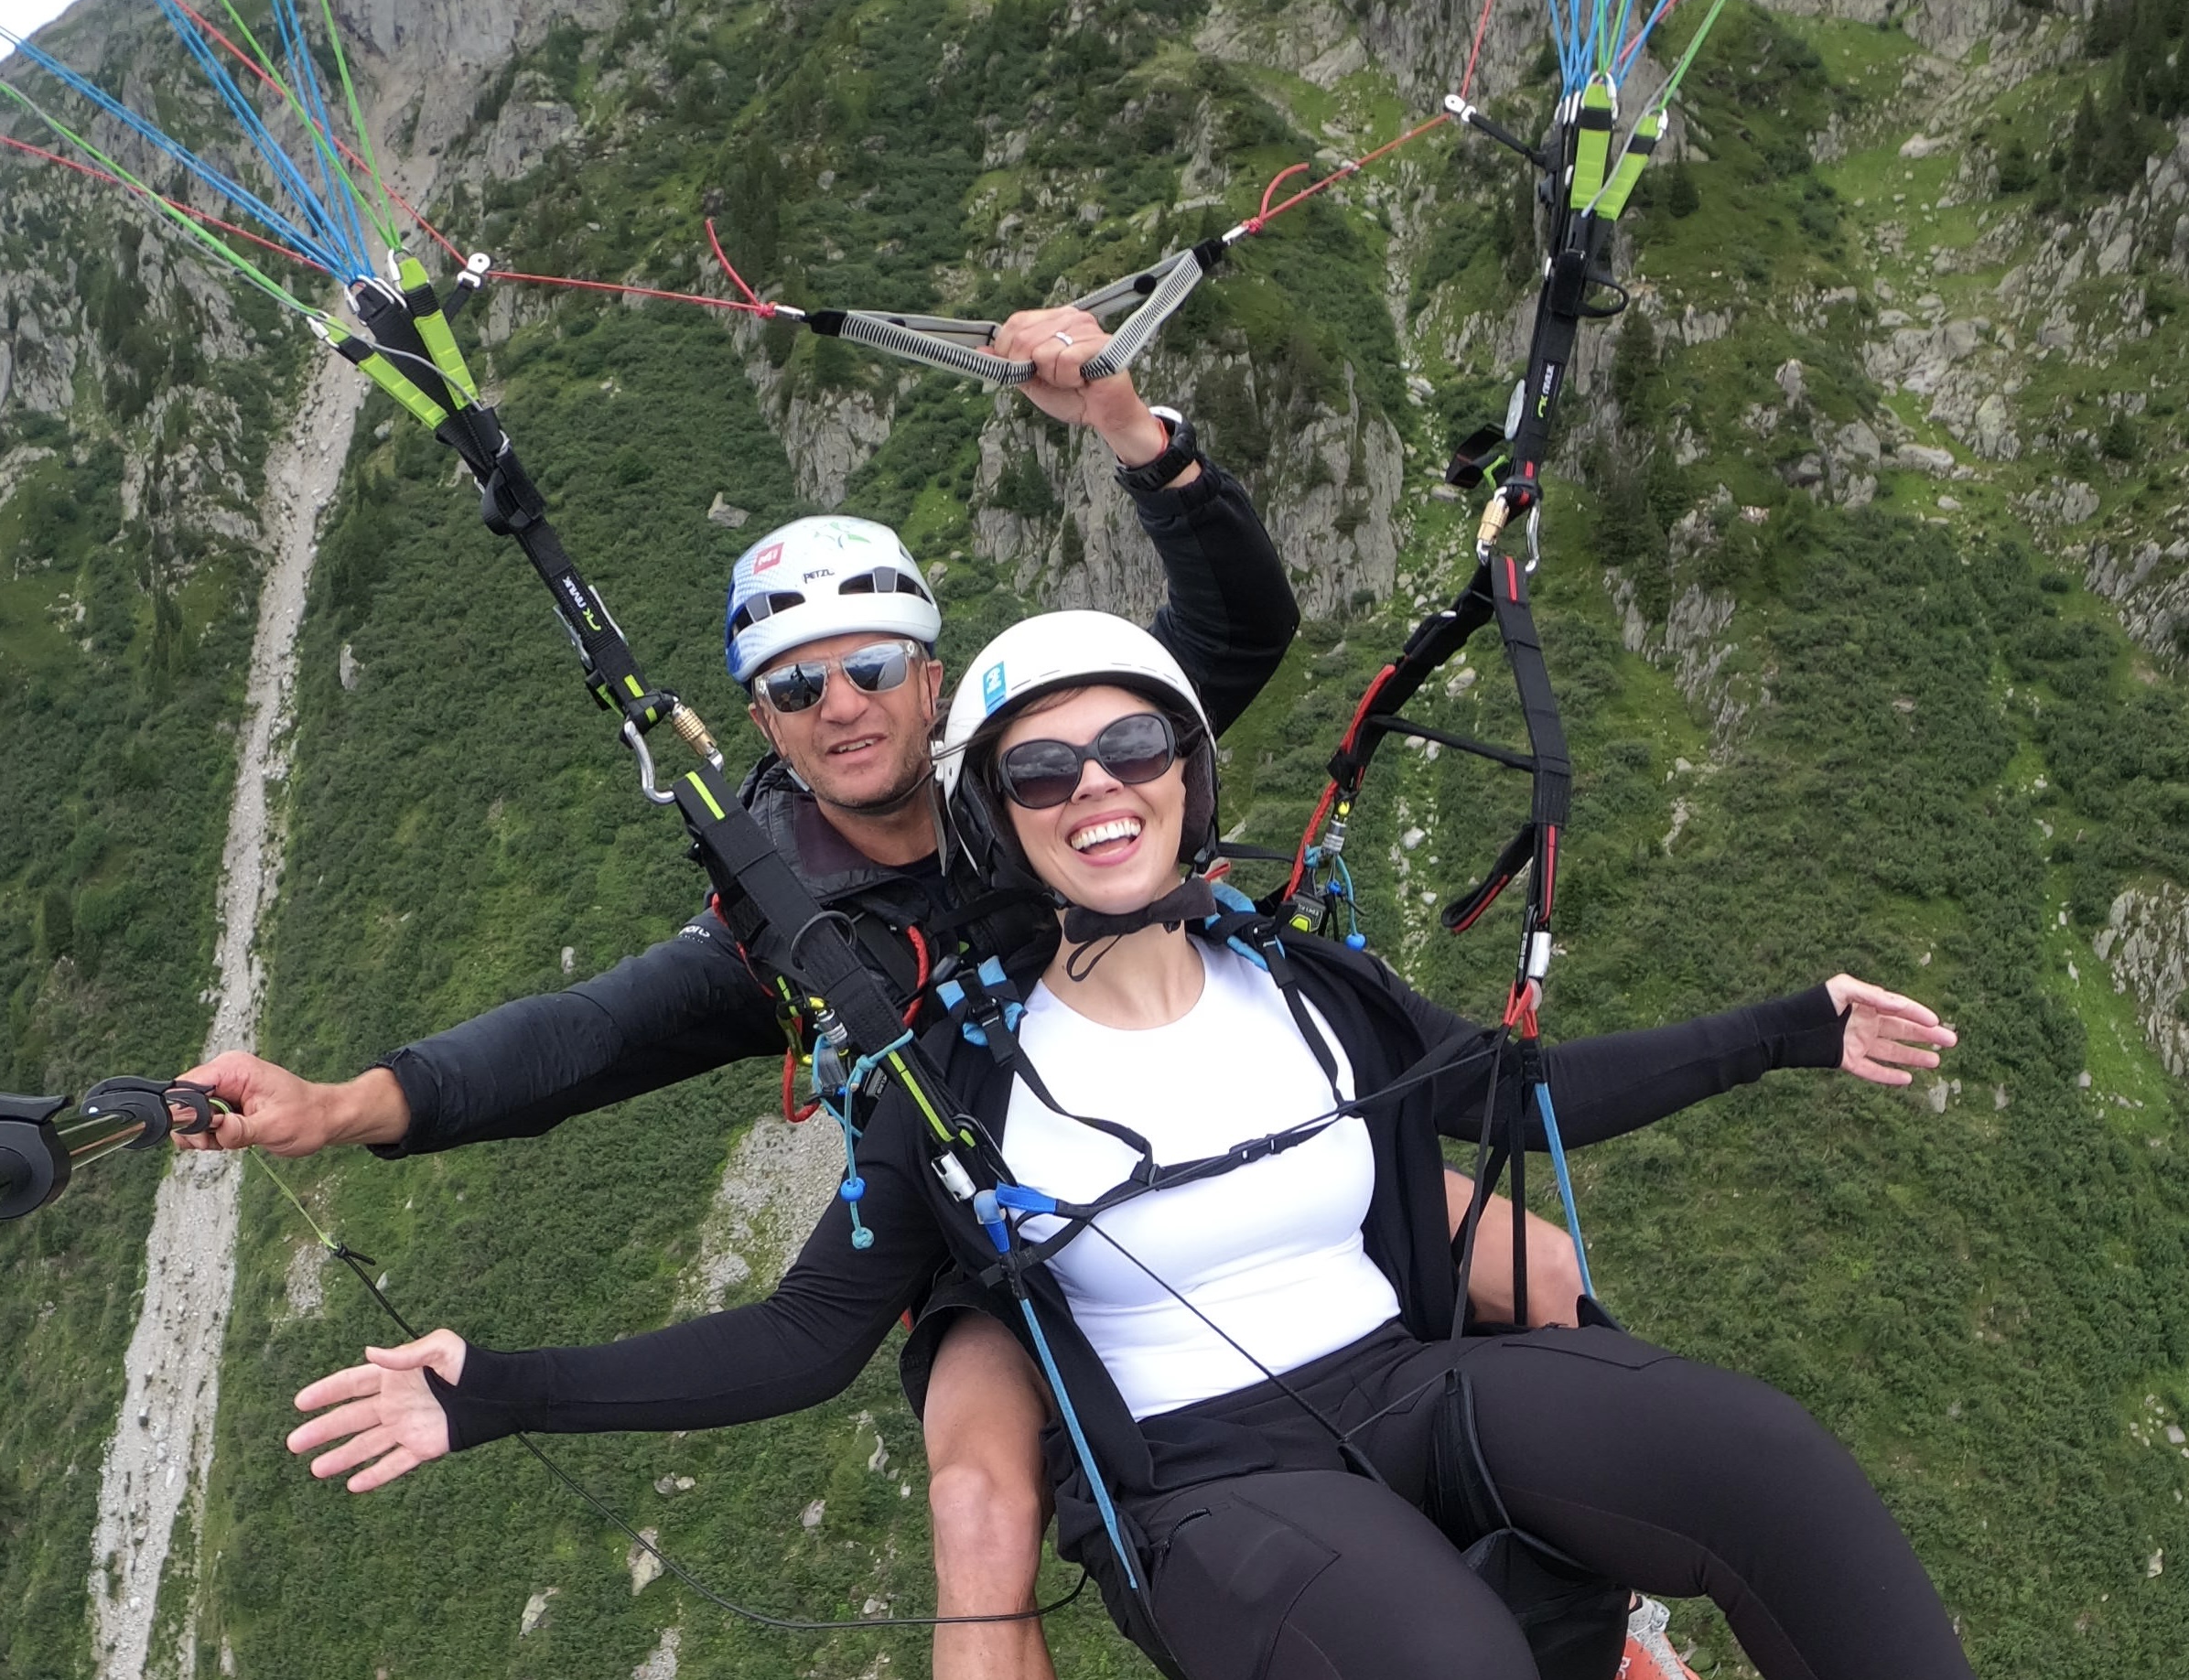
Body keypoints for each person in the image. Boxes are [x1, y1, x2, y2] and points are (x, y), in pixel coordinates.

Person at [286, 611, 1974, 1680]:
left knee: (1765, 1462)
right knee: (1444, 1661)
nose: (1096, 786)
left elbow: (1512, 1094)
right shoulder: (955, 1079)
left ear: (1184, 774)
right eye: (1041, 770)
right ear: (995, 818)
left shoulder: (1305, 981)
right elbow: (807, 1336)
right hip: (1203, 1487)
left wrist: (1790, 1028)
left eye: (1133, 746)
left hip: (1410, 1379)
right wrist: (495, 1391)